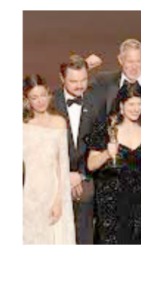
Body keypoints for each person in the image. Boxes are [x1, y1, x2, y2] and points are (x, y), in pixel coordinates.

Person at [86, 83, 141, 244]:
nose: (136, 109)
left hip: (138, 204)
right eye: (131, 104)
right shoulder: (106, 129)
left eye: (139, 104)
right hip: (110, 206)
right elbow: (91, 165)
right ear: (121, 106)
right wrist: (107, 153)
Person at [52, 55, 106, 244]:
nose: (79, 85)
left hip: (86, 176)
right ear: (62, 78)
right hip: (55, 177)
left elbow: (99, 143)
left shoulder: (96, 102)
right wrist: (65, 174)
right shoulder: (51, 103)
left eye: (83, 80)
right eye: (73, 81)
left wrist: (81, 174)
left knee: (84, 234)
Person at [23, 75, 76, 244]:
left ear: (48, 94)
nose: (40, 101)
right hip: (28, 193)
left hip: (53, 191)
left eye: (42, 95)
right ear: (27, 100)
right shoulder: (23, 126)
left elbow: (62, 164)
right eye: (34, 97)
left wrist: (59, 200)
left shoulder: (59, 122)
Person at [92, 39, 141, 117]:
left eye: (138, 61)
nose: (134, 67)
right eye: (130, 62)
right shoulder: (103, 81)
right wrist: (86, 66)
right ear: (120, 60)